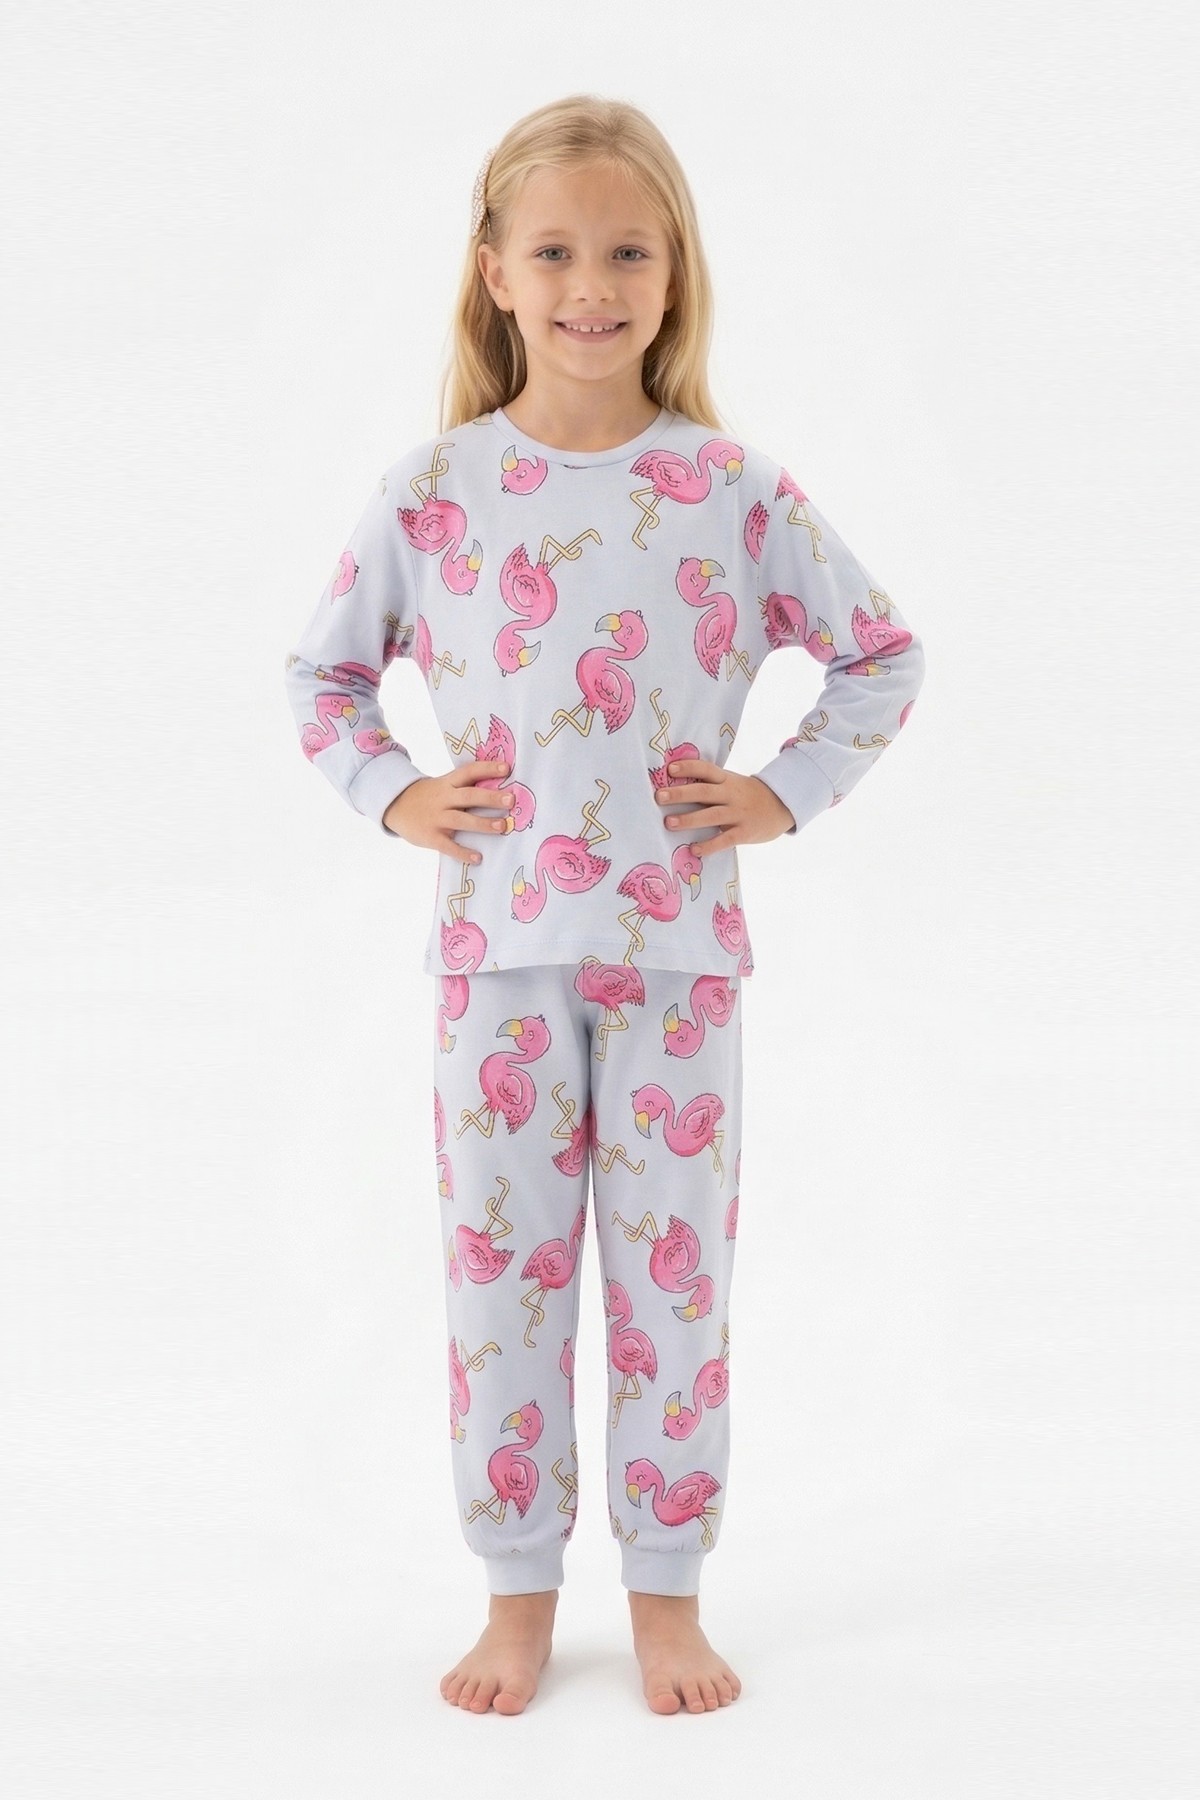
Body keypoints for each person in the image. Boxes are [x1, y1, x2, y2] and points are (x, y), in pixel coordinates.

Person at [283, 92, 926, 1718]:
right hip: (495, 960)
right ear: (495, 271)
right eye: (557, 251)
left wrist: (782, 789)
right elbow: (324, 677)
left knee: (671, 1289)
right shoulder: (434, 491)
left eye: (629, 252)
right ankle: (515, 1592)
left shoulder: (732, 488)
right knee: (501, 1283)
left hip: (677, 960)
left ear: (675, 270)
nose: (592, 285)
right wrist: (395, 792)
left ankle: (665, 1590)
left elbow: (881, 655)